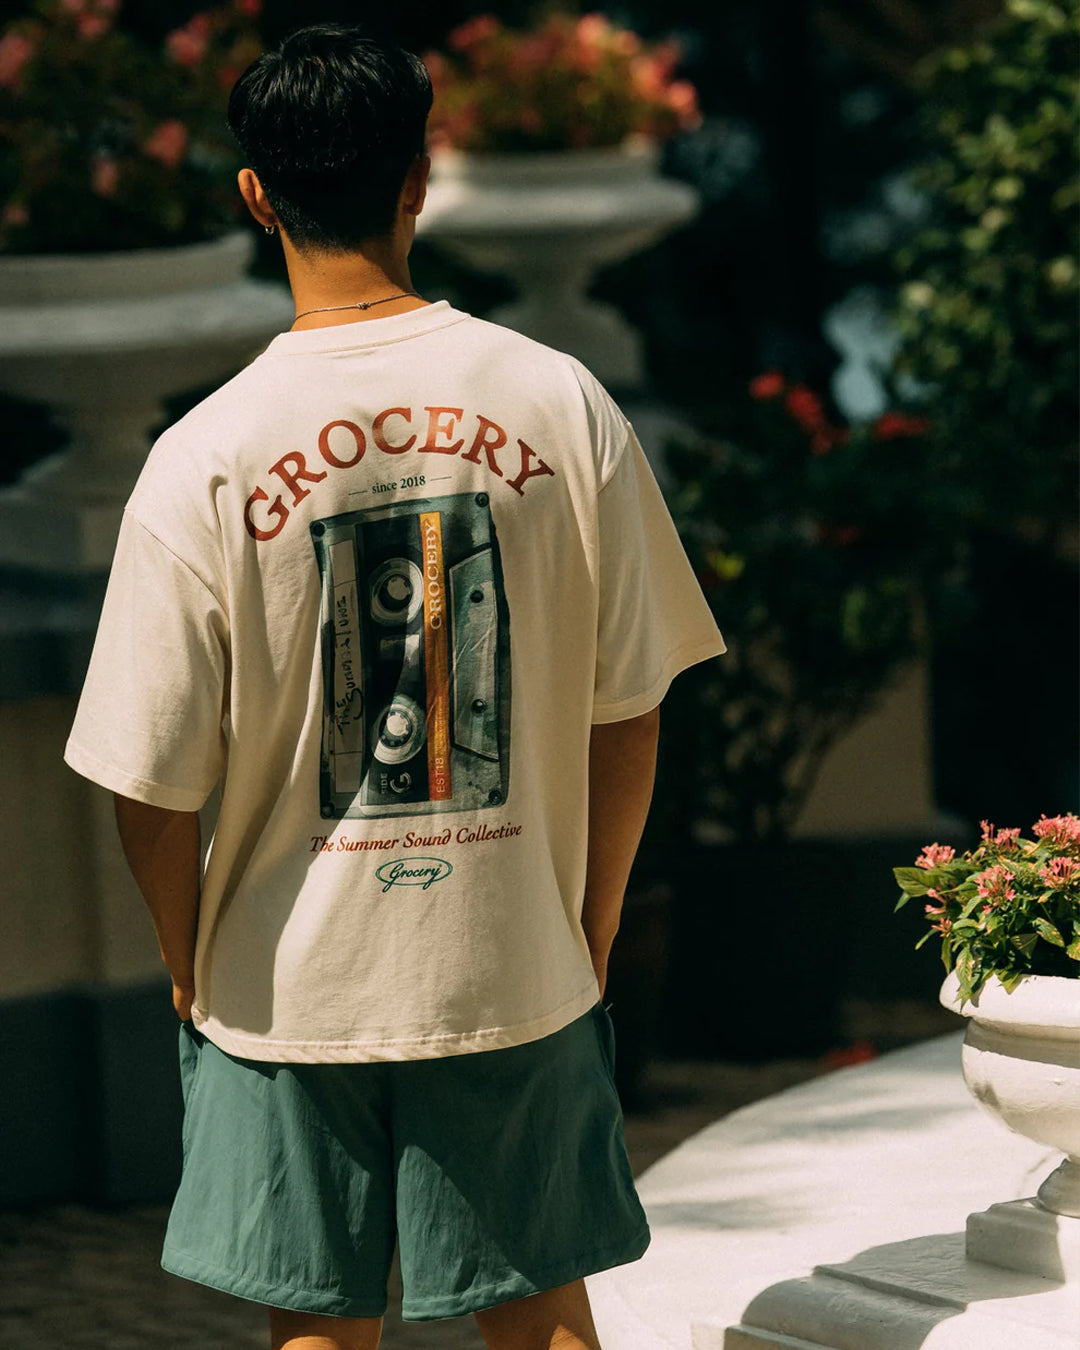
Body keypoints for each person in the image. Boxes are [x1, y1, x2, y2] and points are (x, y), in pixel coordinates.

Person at [64, 24, 725, 1350]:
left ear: (256, 197)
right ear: (421, 175)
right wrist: (586, 922)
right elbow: (631, 704)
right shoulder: (563, 402)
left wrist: (190, 956)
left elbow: (146, 773)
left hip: (287, 984)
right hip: (510, 954)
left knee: (320, 1331)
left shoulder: (201, 458)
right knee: (543, 1316)